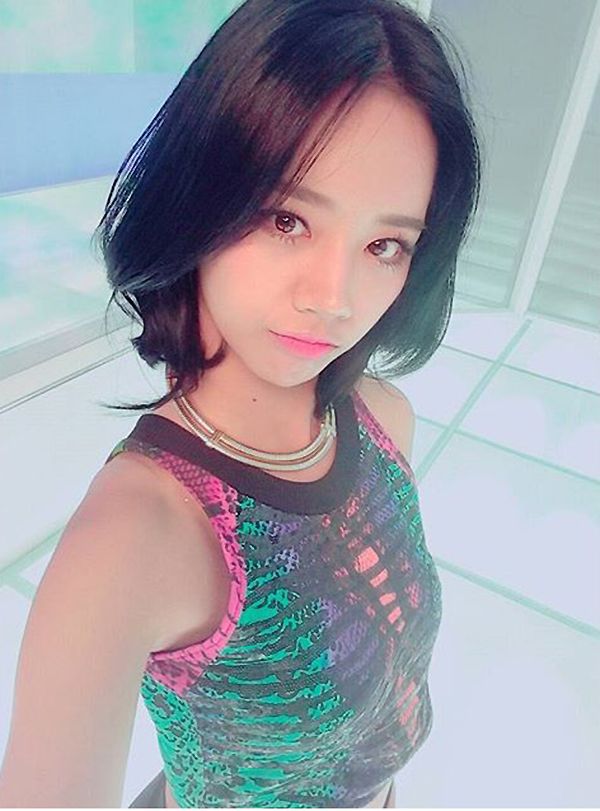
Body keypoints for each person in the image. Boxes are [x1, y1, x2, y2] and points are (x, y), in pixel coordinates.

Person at [0, 0, 482, 806]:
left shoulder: (382, 420)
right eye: (287, 218)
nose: (334, 297)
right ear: (199, 191)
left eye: (384, 244)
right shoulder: (133, 539)